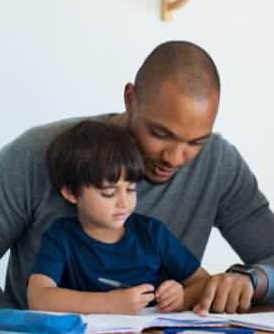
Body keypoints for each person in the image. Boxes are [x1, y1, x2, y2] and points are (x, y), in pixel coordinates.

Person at [0, 41, 274, 314]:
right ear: (131, 98)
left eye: (195, 142)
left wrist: (251, 279)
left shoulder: (217, 163)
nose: (175, 158)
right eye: (160, 134)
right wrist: (22, 330)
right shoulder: (36, 154)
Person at [27, 120, 209, 314]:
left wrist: (182, 296)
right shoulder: (61, 238)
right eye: (109, 193)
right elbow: (38, 298)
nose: (124, 202)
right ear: (71, 193)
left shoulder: (153, 234)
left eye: (131, 189)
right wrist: (109, 304)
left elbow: (204, 282)